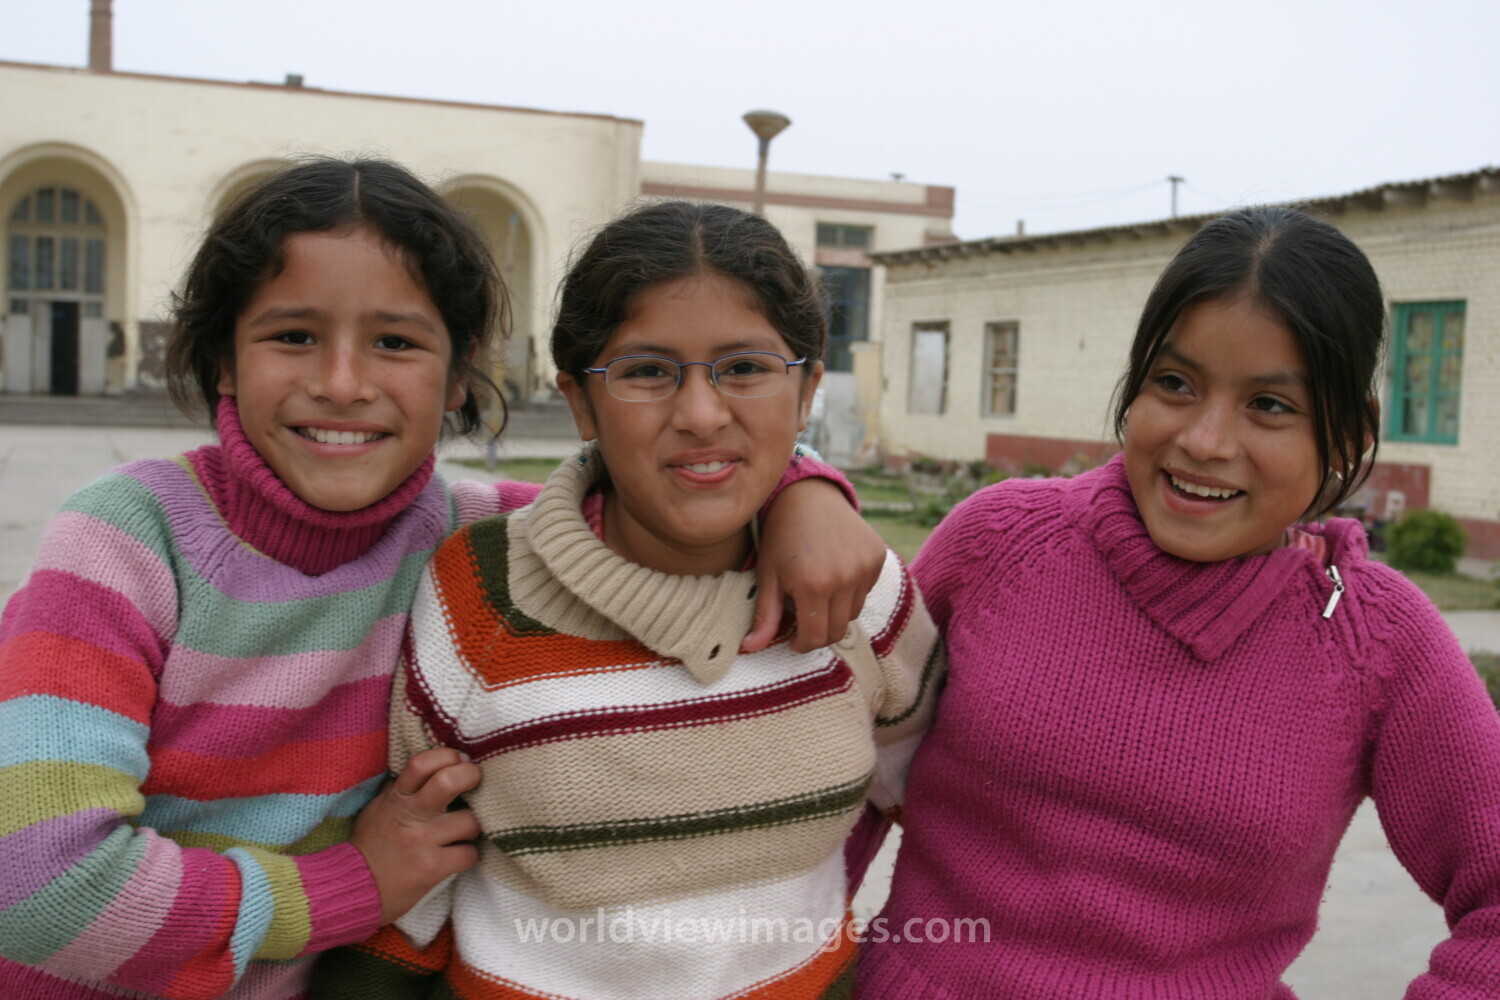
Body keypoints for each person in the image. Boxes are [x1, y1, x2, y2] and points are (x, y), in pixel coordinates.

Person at [0, 160, 888, 1000]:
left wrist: (806, 491)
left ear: (460, 372)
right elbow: (40, 883)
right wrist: (353, 885)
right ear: (224, 357)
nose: (342, 383)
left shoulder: (477, 540)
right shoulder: (127, 540)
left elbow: (663, 486)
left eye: (395, 341)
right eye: (293, 336)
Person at [860, 206, 1500, 998]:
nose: (1203, 438)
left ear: (1347, 435)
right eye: (1174, 383)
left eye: (1269, 405)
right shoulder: (1000, 543)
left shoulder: (1375, 639)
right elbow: (838, 777)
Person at [310, 201, 943, 999]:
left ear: (808, 386)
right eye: (646, 371)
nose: (702, 414)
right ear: (579, 401)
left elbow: (946, 813)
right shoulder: (485, 597)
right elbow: (412, 887)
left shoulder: (858, 593)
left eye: (745, 368)